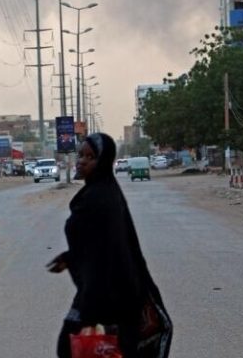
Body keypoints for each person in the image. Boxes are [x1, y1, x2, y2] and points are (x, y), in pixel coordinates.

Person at [47, 133, 172, 358]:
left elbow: (103, 256)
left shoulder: (99, 199)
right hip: (108, 296)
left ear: (103, 162)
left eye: (90, 157)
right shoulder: (99, 193)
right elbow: (95, 244)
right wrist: (70, 258)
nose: (82, 161)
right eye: (81, 155)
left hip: (108, 299)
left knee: (73, 348)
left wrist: (90, 316)